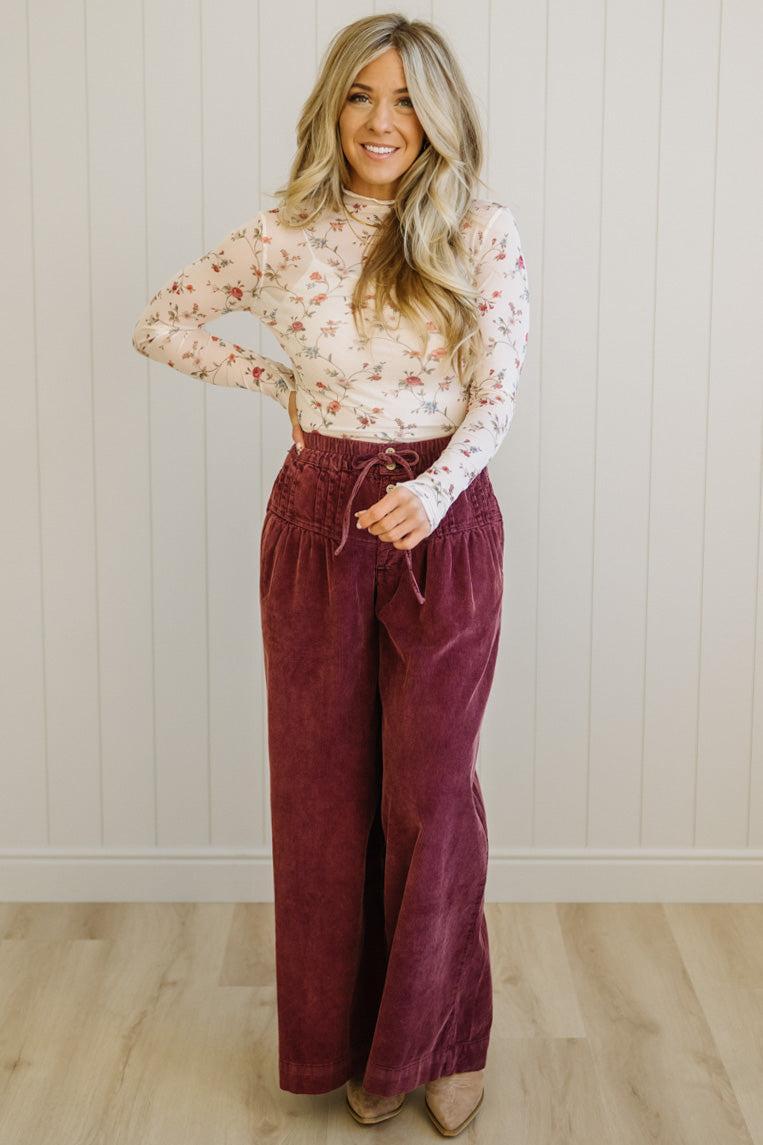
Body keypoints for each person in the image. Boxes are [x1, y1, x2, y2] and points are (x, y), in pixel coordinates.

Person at [132, 12, 529, 1138]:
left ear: (439, 116)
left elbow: (497, 391)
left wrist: (434, 493)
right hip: (317, 521)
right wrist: (279, 386)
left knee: (430, 796)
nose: (381, 121)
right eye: (361, 95)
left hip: (441, 526)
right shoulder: (283, 234)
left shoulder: (479, 231)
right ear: (331, 109)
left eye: (406, 99)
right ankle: (350, 1042)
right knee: (321, 797)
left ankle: (438, 1042)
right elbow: (161, 322)